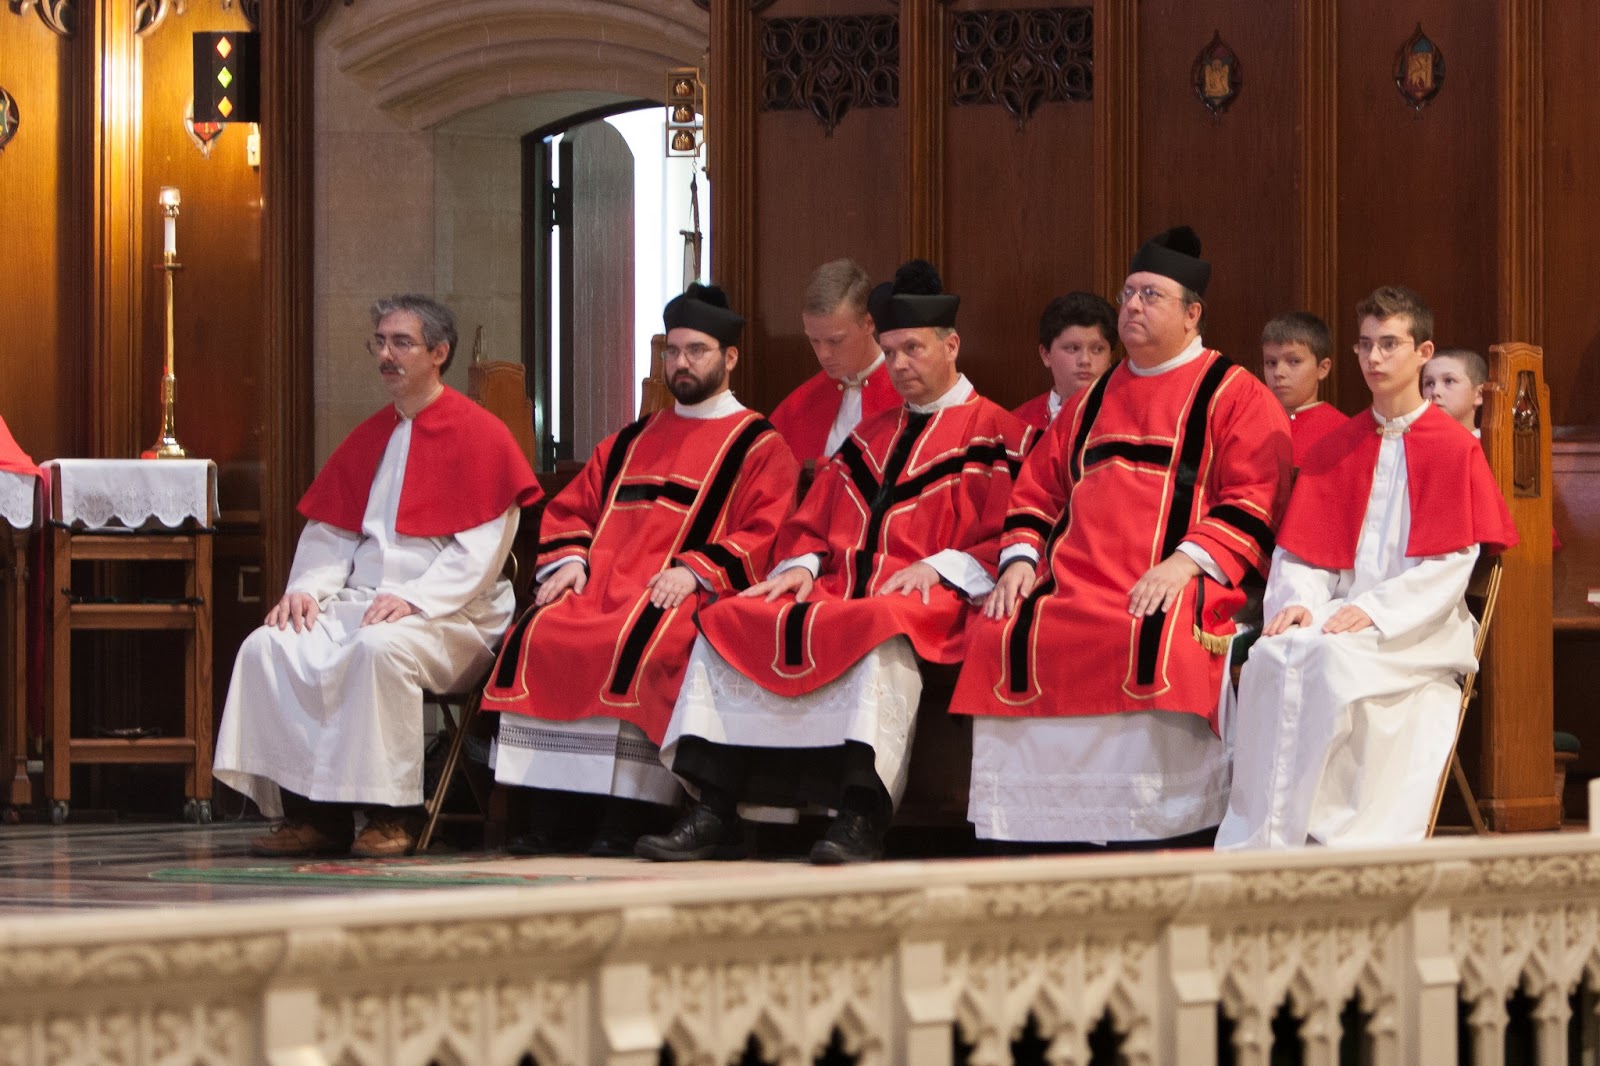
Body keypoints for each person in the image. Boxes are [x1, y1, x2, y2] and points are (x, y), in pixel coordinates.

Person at [635, 259, 1032, 865]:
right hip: (840, 587)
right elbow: (809, 522)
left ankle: (861, 816)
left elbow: (1016, 533)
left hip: (930, 598)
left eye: (913, 350)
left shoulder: (998, 433)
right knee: (727, 619)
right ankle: (714, 808)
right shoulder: (868, 435)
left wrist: (943, 566)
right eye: (891, 352)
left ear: (951, 345)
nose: (899, 365)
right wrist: (799, 564)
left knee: (878, 627)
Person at [952, 227, 1293, 848]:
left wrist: (1185, 563)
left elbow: (1254, 497)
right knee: (1006, 626)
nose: (1132, 305)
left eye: (1150, 296)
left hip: (1171, 575)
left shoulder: (1235, 393)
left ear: (1192, 314)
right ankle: (1032, 832)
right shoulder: (1091, 399)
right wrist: (1021, 559)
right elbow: (1038, 490)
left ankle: (1160, 828)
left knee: (1154, 635)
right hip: (1074, 577)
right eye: (1128, 293)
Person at [215, 295, 541, 858]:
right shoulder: (370, 436)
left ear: (439, 353)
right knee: (269, 646)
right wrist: (305, 590)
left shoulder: (484, 437)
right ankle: (314, 816)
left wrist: (415, 599)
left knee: (378, 650)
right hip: (361, 601)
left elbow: (481, 553)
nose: (387, 355)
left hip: (452, 615)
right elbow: (330, 533)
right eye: (381, 343)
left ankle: (396, 815)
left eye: (402, 343)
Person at [480, 284, 800, 856]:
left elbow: (767, 529)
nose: (681, 363)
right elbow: (573, 508)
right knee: (542, 630)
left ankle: (626, 816)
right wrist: (571, 561)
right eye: (672, 351)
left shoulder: (758, 443)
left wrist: (696, 571)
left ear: (729, 357)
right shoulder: (631, 439)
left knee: (644, 644)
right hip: (601, 585)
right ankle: (553, 814)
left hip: (679, 592)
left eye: (696, 351)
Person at [1215, 287, 1518, 849]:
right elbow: (1303, 553)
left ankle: (1334, 839)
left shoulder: (1454, 449)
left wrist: (1374, 610)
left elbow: (1449, 565)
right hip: (1337, 615)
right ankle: (1265, 839)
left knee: (1333, 664)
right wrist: (1301, 602)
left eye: (1389, 344)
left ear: (1423, 351)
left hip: (1415, 625)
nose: (1374, 358)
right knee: (1272, 655)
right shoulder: (1339, 445)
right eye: (1365, 345)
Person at [769, 259, 899, 462]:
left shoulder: (909, 395)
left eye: (835, 341)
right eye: (814, 340)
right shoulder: (795, 408)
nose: (823, 354)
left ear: (869, 323)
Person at [1013, 292, 1119, 431]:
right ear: (1046, 355)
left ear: (1110, 356)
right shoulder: (1017, 424)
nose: (1085, 360)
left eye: (1097, 349)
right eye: (1073, 348)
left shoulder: (1130, 421)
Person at [1261, 311, 1346, 466]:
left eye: (1294, 361)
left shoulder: (1343, 433)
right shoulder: (1252, 426)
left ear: (1322, 368)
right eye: (1271, 363)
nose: (1278, 373)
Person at [1421, 347, 1487, 435]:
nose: (1435, 392)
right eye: (1429, 383)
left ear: (1479, 395)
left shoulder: (1489, 443)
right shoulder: (1410, 440)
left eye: (1449, 381)